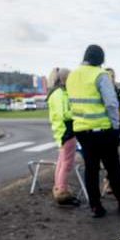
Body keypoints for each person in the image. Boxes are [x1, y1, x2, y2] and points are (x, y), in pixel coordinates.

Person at [66, 45, 120, 218]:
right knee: (113, 167)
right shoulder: (100, 74)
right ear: (101, 59)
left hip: (82, 130)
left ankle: (95, 206)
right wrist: (116, 126)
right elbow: (111, 103)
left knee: (91, 168)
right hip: (103, 130)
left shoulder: (72, 75)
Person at [46, 67, 80, 207]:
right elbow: (64, 114)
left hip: (61, 131)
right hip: (66, 131)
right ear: (65, 79)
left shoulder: (55, 92)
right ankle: (62, 191)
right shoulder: (60, 93)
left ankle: (59, 187)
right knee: (67, 164)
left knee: (61, 162)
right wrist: (78, 113)